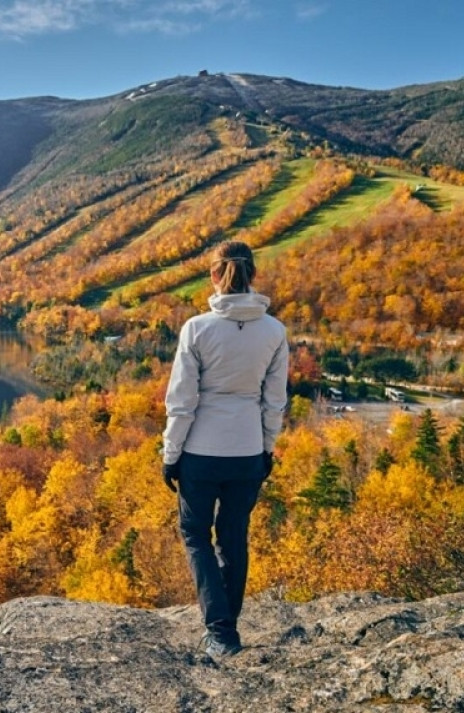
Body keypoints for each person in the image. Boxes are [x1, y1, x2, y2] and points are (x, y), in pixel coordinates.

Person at [161, 240, 288, 658]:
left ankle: (220, 631)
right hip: (248, 450)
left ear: (215, 276)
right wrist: (266, 449)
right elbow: (274, 401)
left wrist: (171, 454)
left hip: (200, 452)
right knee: (233, 537)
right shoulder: (274, 331)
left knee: (195, 534)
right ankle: (226, 629)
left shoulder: (197, 329)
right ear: (253, 274)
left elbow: (182, 401)